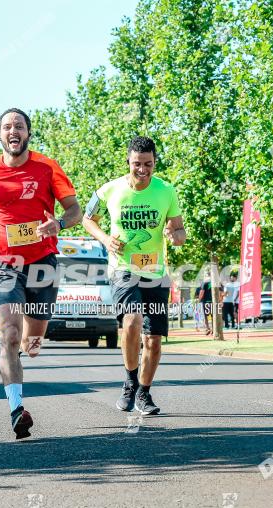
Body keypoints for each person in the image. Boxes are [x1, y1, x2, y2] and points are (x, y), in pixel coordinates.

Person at [0, 107, 81, 440]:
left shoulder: (47, 167)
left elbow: (75, 210)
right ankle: (16, 410)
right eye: (8, 127)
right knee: (10, 335)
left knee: (33, 342)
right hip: (0, 261)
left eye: (20, 126)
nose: (14, 131)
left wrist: (59, 223)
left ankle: (28, 345)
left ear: (28, 133)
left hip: (42, 261)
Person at [82, 136, 185, 415]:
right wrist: (105, 239)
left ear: (155, 162)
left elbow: (180, 232)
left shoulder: (167, 191)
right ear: (128, 162)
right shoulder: (109, 190)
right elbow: (87, 219)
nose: (142, 170)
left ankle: (144, 393)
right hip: (122, 269)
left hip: (155, 272)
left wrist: (172, 235)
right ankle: (129, 381)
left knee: (153, 340)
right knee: (132, 319)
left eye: (148, 164)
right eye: (137, 164)